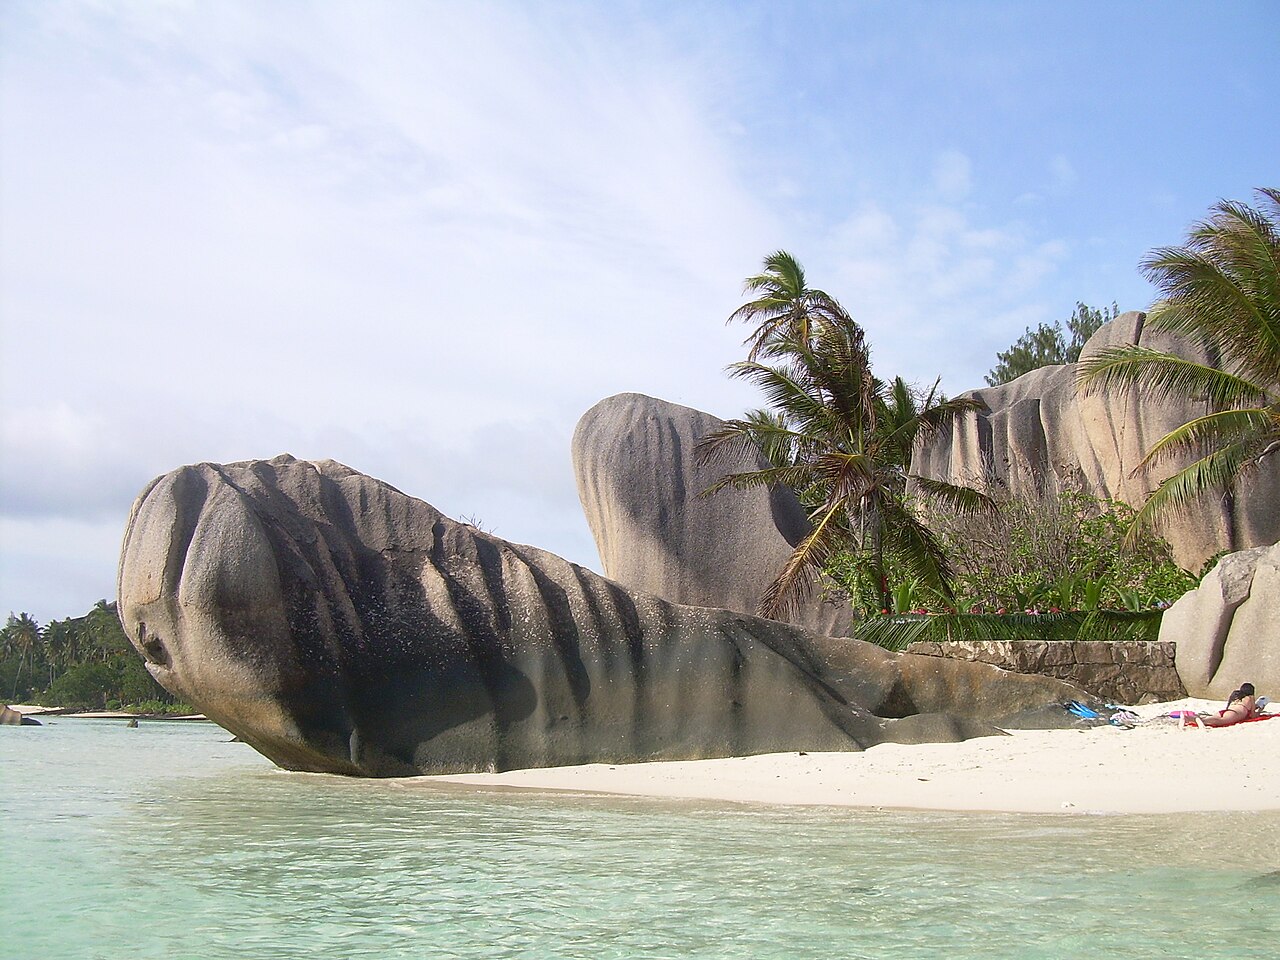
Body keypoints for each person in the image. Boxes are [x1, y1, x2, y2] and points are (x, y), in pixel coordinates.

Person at [1179, 682, 1259, 730]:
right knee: (1219, 722)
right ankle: (1199, 720)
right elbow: (1253, 715)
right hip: (1234, 714)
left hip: (1226, 711)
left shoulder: (1236, 696)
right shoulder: (1250, 698)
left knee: (1213, 718)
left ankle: (1188, 718)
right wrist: (1260, 710)